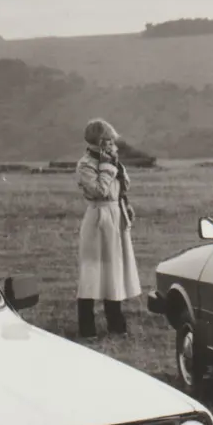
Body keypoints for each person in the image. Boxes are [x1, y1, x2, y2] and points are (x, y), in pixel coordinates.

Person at [74, 118, 141, 337]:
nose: (114, 145)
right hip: (99, 218)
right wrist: (106, 168)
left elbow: (124, 186)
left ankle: (116, 323)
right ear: (101, 142)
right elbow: (99, 191)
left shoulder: (112, 161)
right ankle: (87, 327)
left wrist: (114, 167)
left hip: (115, 215)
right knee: (92, 272)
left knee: (114, 270)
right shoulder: (86, 164)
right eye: (110, 141)